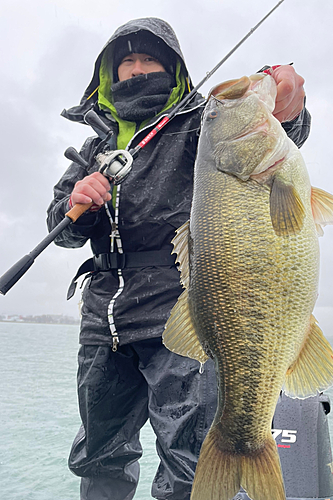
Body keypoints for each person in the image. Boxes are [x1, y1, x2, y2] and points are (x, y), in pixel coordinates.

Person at [47, 17, 310, 500]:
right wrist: (75, 203)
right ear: (110, 73)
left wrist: (281, 82)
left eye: (150, 59)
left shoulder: (196, 125)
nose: (138, 69)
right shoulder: (93, 146)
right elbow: (60, 232)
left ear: (173, 69)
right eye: (127, 62)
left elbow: (269, 124)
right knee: (99, 453)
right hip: (102, 319)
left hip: (179, 310)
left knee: (187, 459)